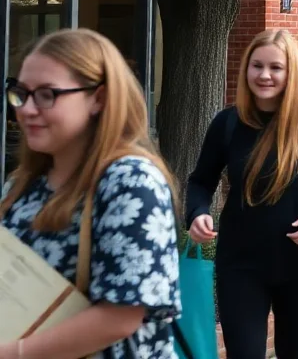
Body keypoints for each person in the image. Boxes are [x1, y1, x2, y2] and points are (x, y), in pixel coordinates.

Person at [0, 30, 180, 359]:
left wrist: (13, 353)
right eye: (20, 94)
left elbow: (120, 317)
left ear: (98, 98)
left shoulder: (131, 182)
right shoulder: (21, 184)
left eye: (46, 94)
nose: (25, 109)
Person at [187, 28, 298, 359]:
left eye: (275, 68)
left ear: (291, 71)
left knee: (295, 351)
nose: (264, 75)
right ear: (246, 69)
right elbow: (200, 181)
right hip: (241, 264)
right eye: (257, 66)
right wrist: (197, 213)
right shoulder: (227, 123)